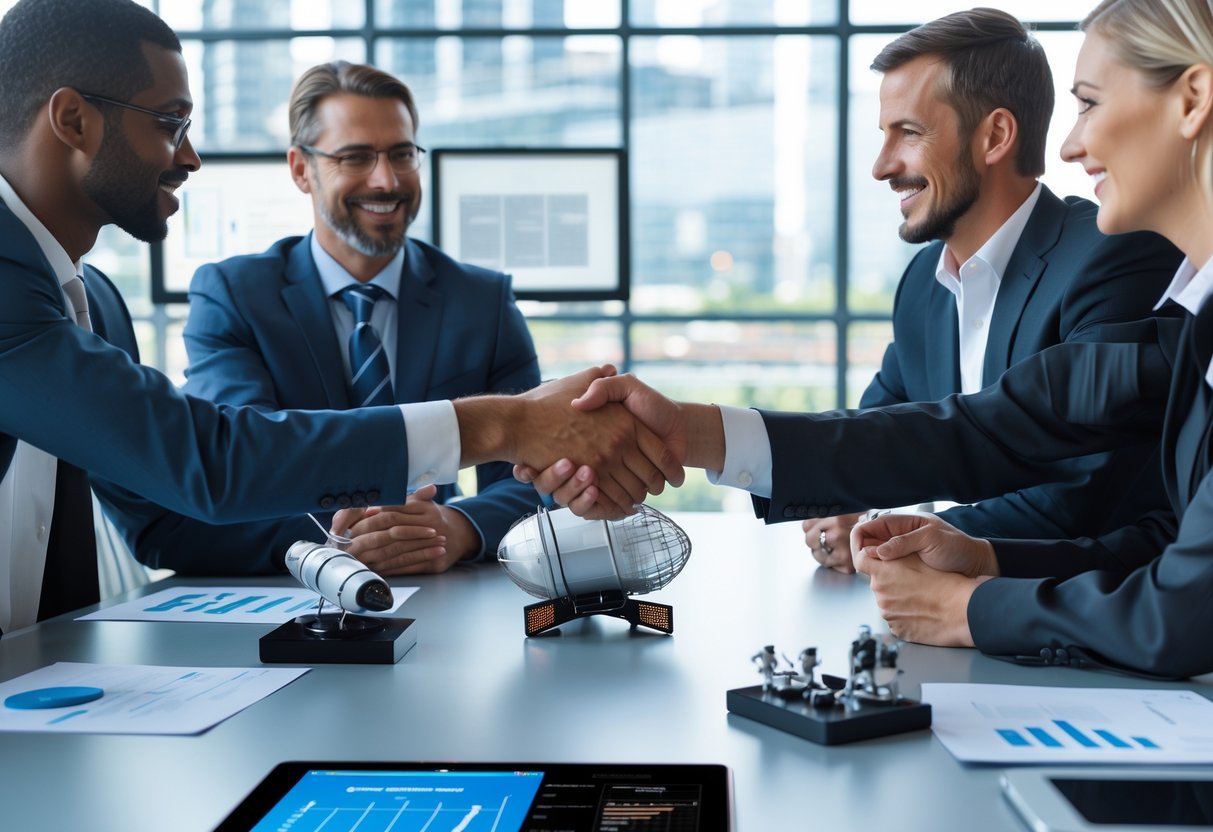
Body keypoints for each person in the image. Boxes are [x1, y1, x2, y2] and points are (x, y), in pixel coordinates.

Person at [521, 0, 1213, 679]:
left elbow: (1032, 458)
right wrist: (700, 436)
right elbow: (936, 432)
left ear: (1190, 101)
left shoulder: (1118, 263)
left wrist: (967, 599)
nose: (1069, 143)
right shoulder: (931, 286)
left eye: (1088, 103)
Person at [0, 0, 680, 634]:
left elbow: (156, 509)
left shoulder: (90, 305)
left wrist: (454, 527)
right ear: (74, 121)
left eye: (401, 155)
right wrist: (508, 422)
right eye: (169, 123)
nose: (189, 155)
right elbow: (211, 462)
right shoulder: (46, 289)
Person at [96, 61, 543, 577]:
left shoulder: (481, 300)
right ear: (301, 169)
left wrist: (458, 527)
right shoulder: (235, 296)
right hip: (295, 594)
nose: (387, 179)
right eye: (355, 157)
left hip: (447, 588)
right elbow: (241, 468)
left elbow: (535, 472)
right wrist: (346, 537)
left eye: (402, 154)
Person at [803, 8, 1182, 573]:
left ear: (996, 136)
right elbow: (874, 438)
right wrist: (846, 502)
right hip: (954, 626)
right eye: (883, 136)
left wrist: (906, 534)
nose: (882, 167)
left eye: (908, 132)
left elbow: (1086, 494)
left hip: (1099, 627)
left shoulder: (1113, 254)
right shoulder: (922, 287)